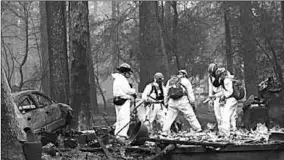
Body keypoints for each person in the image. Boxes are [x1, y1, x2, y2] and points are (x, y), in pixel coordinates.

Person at [162, 70, 202, 135]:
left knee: (169, 117)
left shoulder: (170, 81)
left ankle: (165, 131)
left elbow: (166, 93)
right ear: (185, 75)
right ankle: (198, 129)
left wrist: (166, 102)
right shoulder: (186, 81)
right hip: (183, 101)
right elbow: (190, 92)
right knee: (190, 115)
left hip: (172, 101)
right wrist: (192, 102)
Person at [111, 63, 136, 141]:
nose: (129, 74)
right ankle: (122, 136)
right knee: (125, 119)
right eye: (129, 73)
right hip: (124, 100)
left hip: (117, 100)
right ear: (125, 72)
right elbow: (127, 90)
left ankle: (117, 134)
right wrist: (133, 91)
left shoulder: (117, 79)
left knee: (119, 118)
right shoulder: (122, 79)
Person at [210, 67, 238, 135]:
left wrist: (224, 97)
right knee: (232, 117)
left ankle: (226, 133)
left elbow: (229, 92)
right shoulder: (227, 80)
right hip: (232, 99)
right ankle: (232, 131)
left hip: (231, 100)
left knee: (225, 117)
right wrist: (215, 96)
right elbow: (224, 91)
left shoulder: (226, 81)